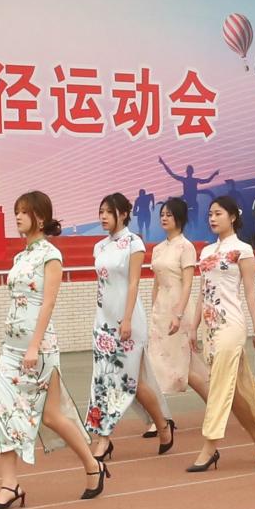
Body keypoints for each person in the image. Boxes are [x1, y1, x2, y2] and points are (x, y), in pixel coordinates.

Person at [0, 191, 105, 509]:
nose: (17, 217)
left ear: (39, 217)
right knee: (0, 410)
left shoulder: (51, 255)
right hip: (11, 349)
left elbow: (48, 303)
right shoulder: (20, 257)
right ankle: (9, 485)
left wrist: (34, 346)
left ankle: (93, 465)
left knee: (51, 416)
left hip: (38, 349)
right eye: (16, 211)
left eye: (23, 212)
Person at [186, 197, 255, 472]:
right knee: (234, 392)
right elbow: (203, 292)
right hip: (210, 329)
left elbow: (249, 293)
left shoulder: (242, 250)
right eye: (210, 214)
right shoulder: (205, 251)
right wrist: (193, 327)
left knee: (219, 388)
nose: (212, 218)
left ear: (233, 217)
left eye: (218, 213)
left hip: (231, 325)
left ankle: (210, 447)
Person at [87, 193, 173, 460]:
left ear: (123, 214)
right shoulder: (99, 247)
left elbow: (133, 283)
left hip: (128, 321)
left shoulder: (133, 243)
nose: (103, 216)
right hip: (103, 322)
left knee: (130, 382)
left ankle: (161, 425)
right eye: (101, 211)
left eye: (108, 212)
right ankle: (106, 438)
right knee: (103, 380)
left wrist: (126, 320)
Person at [142, 198, 209, 438]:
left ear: (179, 218)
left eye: (169, 214)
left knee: (184, 366)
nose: (164, 218)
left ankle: (214, 407)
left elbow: (188, 283)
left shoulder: (186, 247)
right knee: (156, 364)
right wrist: (154, 309)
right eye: (162, 214)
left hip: (179, 308)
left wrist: (179, 313)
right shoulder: (158, 248)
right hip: (160, 310)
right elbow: (156, 283)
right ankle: (160, 418)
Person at [158, 158, 220, 230]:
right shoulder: (188, 180)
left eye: (189, 170)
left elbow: (207, 181)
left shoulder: (190, 180)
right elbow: (172, 174)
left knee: (193, 223)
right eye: (189, 170)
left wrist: (214, 174)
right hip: (189, 205)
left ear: (188, 172)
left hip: (192, 205)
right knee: (190, 224)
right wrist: (163, 163)